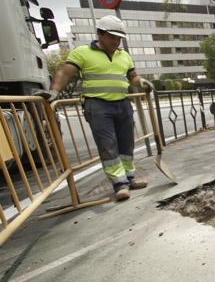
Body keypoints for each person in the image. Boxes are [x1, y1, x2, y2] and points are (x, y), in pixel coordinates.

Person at [36, 15, 153, 201]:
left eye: (119, 37)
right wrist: (54, 91)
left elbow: (133, 77)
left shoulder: (124, 55)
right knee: (108, 145)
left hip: (122, 103)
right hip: (98, 106)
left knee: (127, 143)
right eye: (112, 37)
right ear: (100, 34)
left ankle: (129, 178)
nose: (116, 41)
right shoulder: (82, 53)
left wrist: (142, 82)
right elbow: (65, 73)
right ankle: (119, 184)